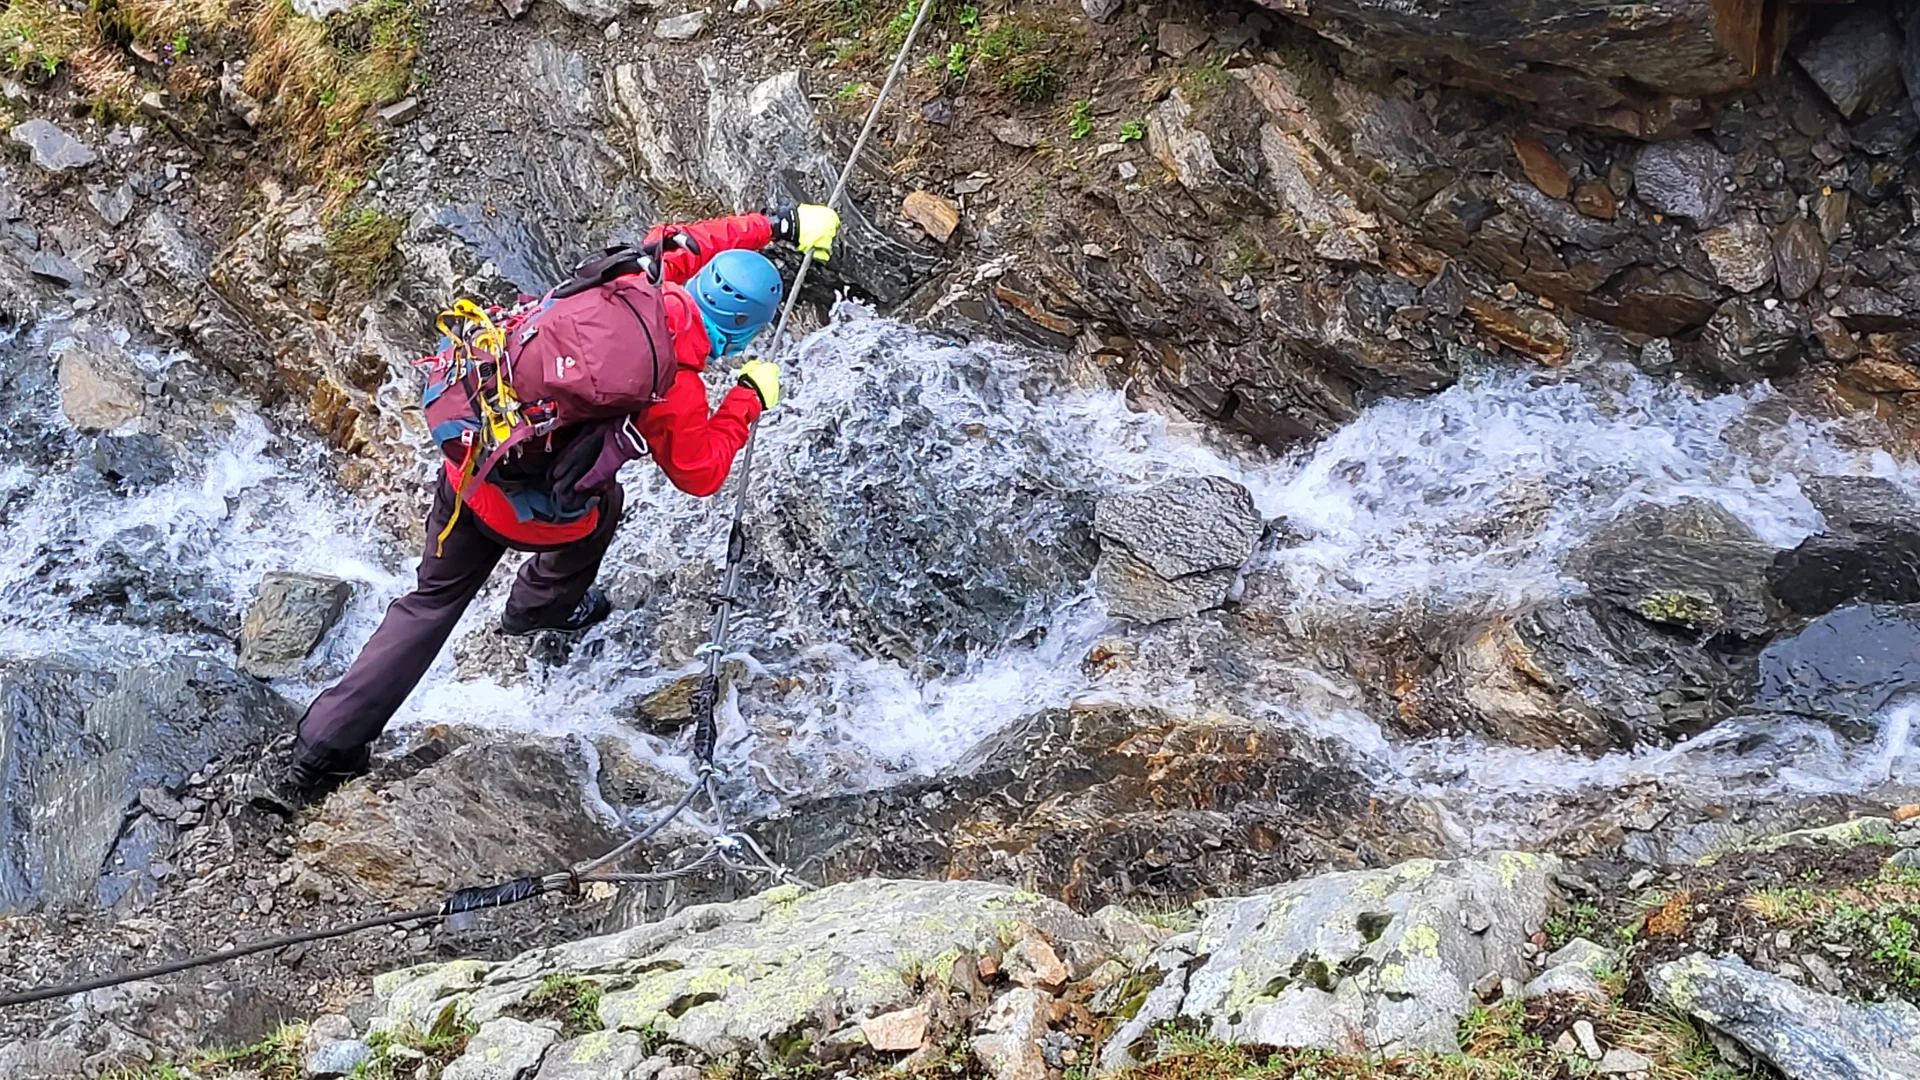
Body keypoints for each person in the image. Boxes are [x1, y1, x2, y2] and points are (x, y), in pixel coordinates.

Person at [250, 204, 842, 812]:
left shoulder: (636, 276)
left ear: (697, 280)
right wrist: (747, 399)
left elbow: (690, 237)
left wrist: (782, 224)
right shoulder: (677, 388)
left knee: (430, 605)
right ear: (742, 333)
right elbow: (701, 473)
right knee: (601, 505)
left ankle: (319, 752)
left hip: (471, 463)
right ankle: (538, 610)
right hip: (535, 514)